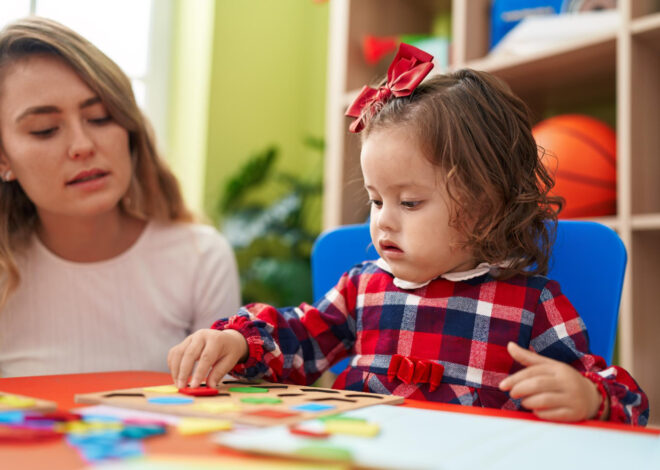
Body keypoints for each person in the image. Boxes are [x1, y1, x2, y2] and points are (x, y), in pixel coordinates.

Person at [168, 44, 648, 425]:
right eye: (376, 200)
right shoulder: (363, 288)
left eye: (410, 202)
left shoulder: (529, 305)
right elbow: (299, 342)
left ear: (485, 208)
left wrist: (589, 396)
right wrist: (238, 343)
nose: (383, 221)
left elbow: (622, 397)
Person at [0, 17, 240, 377]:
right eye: (45, 130)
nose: (83, 146)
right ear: (4, 158)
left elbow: (221, 411)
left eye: (100, 117)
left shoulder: (199, 258)